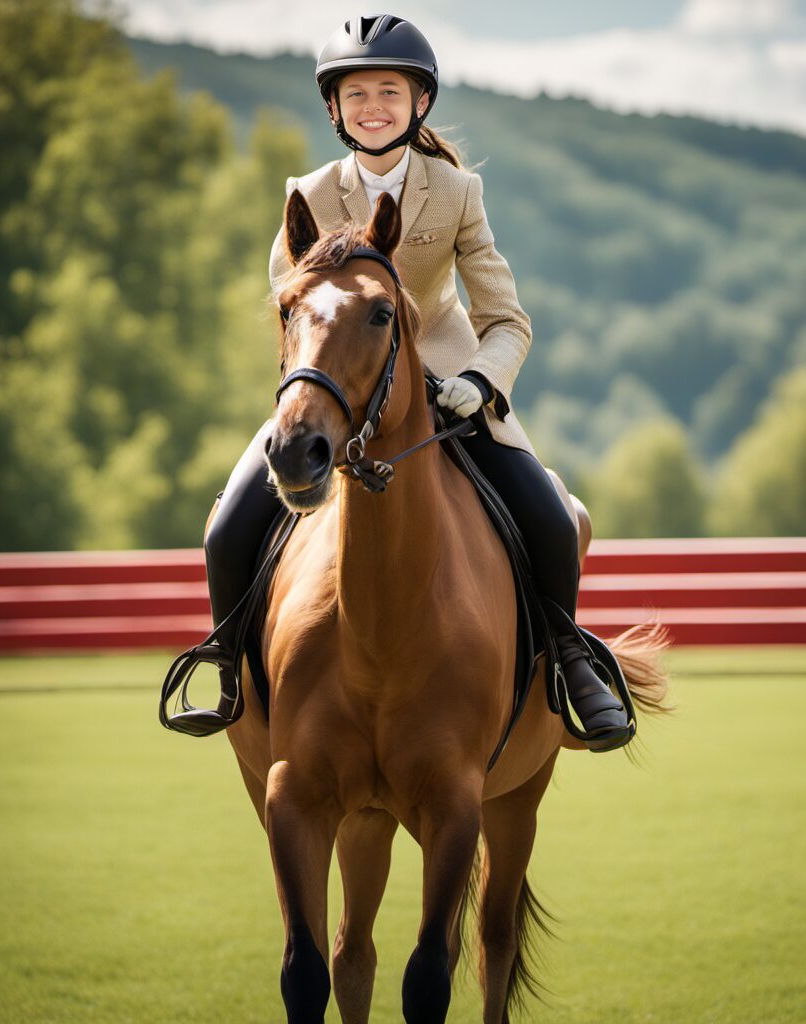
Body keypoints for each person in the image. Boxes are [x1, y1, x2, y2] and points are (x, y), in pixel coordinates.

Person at [201, 14, 629, 748]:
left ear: (418, 103)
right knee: (226, 525)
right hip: (337, 387)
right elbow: (293, 302)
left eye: (389, 92)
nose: (374, 106)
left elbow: (508, 321)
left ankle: (569, 660)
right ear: (334, 110)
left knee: (553, 519)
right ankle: (228, 666)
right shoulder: (305, 193)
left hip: (447, 386)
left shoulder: (457, 193)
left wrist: (479, 382)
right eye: (357, 93)